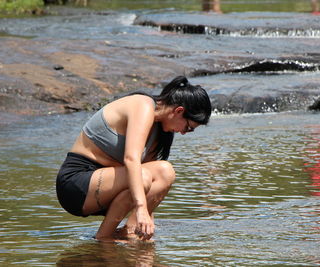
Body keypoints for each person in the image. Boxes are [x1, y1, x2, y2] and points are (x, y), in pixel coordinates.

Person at [56, 76, 212, 242]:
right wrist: (141, 208)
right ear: (178, 111)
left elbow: (151, 183)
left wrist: (147, 222)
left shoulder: (160, 131)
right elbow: (131, 160)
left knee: (165, 172)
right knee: (142, 176)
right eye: (188, 127)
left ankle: (129, 232)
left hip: (107, 188)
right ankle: (104, 237)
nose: (183, 132)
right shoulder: (143, 105)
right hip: (75, 185)